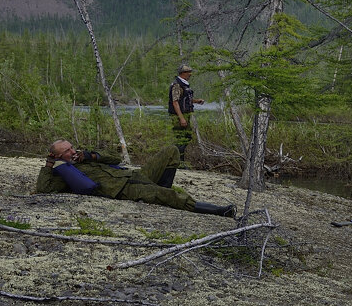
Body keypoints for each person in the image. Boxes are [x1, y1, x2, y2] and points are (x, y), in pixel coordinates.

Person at [35, 140, 235, 217]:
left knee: (171, 151)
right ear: (58, 156)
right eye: (66, 151)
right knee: (171, 196)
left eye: (71, 147)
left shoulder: (85, 157)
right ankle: (219, 212)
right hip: (126, 189)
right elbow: (44, 189)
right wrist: (49, 165)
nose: (72, 151)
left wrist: (91, 155)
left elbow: (116, 158)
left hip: (136, 175)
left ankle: (161, 191)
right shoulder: (66, 174)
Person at [169, 64, 204, 159]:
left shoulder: (184, 84)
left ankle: (179, 160)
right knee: (181, 138)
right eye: (188, 72)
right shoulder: (177, 84)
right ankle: (178, 161)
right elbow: (175, 102)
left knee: (187, 137)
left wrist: (196, 101)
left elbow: (183, 99)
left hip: (185, 114)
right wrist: (181, 118)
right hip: (178, 116)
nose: (190, 74)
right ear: (183, 73)